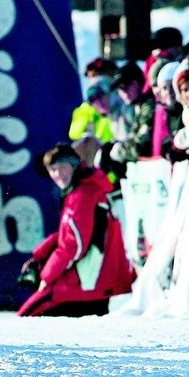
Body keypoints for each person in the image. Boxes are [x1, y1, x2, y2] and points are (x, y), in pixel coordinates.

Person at [17, 143, 135, 317]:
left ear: (74, 166)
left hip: (88, 285)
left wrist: (46, 277)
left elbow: (74, 245)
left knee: (25, 318)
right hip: (95, 283)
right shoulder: (82, 189)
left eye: (62, 168)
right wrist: (39, 255)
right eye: (53, 169)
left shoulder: (83, 194)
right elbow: (69, 234)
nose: (57, 174)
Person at [99, 62, 156, 178]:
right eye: (120, 89)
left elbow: (140, 147)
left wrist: (118, 152)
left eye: (127, 85)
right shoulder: (139, 107)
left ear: (138, 82)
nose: (124, 92)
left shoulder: (150, 105)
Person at [69, 79, 116, 167]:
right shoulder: (86, 112)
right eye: (93, 100)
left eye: (100, 96)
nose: (99, 102)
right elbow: (74, 134)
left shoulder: (120, 110)